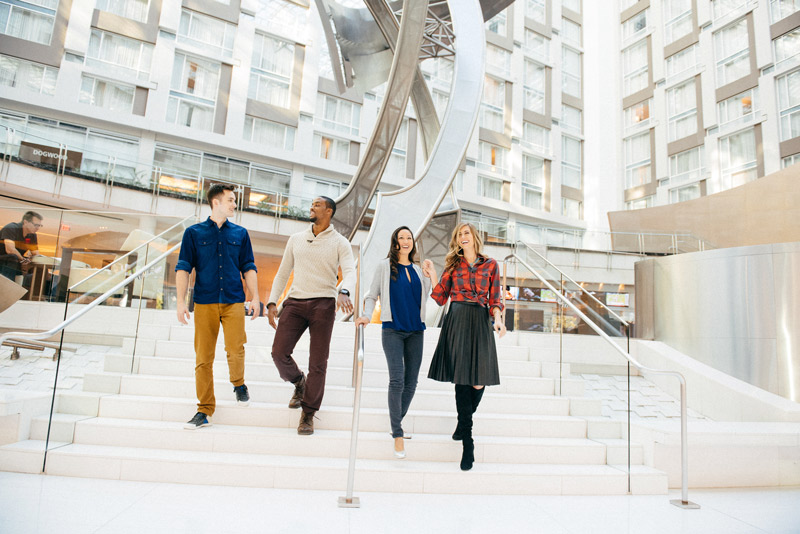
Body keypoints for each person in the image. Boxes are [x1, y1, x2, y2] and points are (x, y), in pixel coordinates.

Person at [266, 196, 355, 436]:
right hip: (295, 302)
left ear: (329, 211)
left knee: (318, 363)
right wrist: (273, 301)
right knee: (278, 353)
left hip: (323, 304)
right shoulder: (296, 239)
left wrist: (344, 291)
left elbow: (350, 271)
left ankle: (308, 413)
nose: (311, 207)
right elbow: (283, 272)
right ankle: (299, 382)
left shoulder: (340, 242)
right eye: (312, 204)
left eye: (317, 205)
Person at [175, 184, 260, 430]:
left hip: (234, 300)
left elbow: (248, 267)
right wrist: (180, 302)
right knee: (203, 358)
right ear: (216, 202)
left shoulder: (241, 234)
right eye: (231, 200)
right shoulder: (193, 233)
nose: (235, 204)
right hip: (205, 302)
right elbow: (183, 268)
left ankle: (239, 384)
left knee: (236, 348)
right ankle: (204, 410)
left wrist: (255, 297)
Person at [423, 222, 506, 471]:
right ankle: (468, 442)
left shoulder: (491, 264)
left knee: (479, 381)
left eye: (466, 233)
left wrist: (498, 319)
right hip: (457, 317)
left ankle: (462, 422)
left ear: (474, 237)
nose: (463, 237)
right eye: (459, 234)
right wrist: (433, 274)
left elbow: (495, 298)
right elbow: (440, 297)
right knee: (462, 378)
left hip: (480, 319)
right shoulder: (453, 265)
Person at [355, 226, 433, 459]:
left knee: (411, 382)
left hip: (416, 330)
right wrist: (367, 316)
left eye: (409, 237)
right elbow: (372, 295)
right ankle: (397, 433)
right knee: (397, 380)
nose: (406, 241)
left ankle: (396, 421)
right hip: (393, 330)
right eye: (401, 237)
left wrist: (429, 274)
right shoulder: (384, 266)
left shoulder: (417, 270)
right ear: (395, 242)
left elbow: (424, 295)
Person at [0, 211, 42, 283]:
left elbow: (36, 254)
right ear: (25, 222)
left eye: (40, 225)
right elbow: (10, 250)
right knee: (13, 257)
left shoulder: (32, 235)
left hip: (16, 262)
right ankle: (6, 286)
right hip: (4, 260)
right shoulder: (11, 228)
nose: (38, 228)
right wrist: (23, 260)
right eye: (36, 225)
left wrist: (29, 262)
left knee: (38, 265)